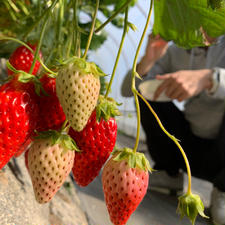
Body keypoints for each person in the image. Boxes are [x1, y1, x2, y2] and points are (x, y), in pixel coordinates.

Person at [121, 33, 225, 225]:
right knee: (145, 92)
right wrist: (147, 61)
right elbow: (127, 91)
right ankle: (169, 173)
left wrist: (209, 78)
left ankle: (223, 190)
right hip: (186, 148)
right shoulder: (176, 49)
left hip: (221, 156)